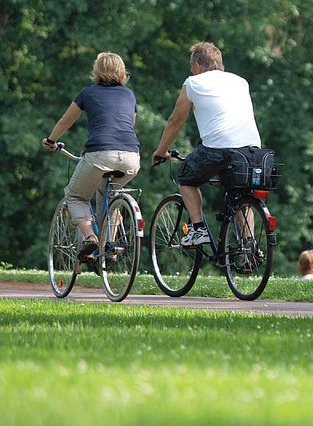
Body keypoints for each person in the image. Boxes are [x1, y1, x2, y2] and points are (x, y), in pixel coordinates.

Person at [152, 42, 261, 246]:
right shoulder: (240, 81)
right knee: (240, 193)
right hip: (251, 150)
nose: (191, 70)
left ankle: (198, 229)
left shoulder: (194, 82)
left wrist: (161, 151)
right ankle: (249, 247)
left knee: (185, 177)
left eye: (191, 65)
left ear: (198, 65)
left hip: (218, 149)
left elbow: (176, 121)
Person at [42, 52, 141, 268]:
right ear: (122, 71)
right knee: (110, 196)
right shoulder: (129, 95)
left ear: (97, 70)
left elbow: (65, 121)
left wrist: (51, 140)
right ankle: (109, 247)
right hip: (132, 157)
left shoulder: (88, 93)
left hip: (99, 155)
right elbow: (129, 125)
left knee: (75, 195)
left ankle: (90, 238)